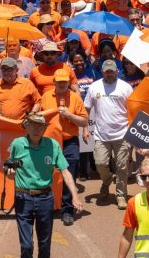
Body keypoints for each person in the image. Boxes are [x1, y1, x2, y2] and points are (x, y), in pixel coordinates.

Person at [5, 112, 83, 258]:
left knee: (45, 244)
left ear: (44, 129)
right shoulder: (17, 144)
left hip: (45, 198)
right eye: (33, 126)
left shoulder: (52, 145)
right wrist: (10, 174)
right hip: (23, 197)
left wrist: (75, 196)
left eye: (40, 126)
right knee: (26, 246)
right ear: (26, 127)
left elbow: (65, 172)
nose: (36, 130)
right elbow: (10, 168)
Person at [39, 70, 88, 225]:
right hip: (49, 141)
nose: (62, 84)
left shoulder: (75, 98)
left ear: (68, 82)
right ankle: (49, 206)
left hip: (69, 141)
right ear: (54, 81)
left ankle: (67, 209)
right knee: (48, 173)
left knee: (70, 173)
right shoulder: (46, 97)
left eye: (64, 81)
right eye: (59, 81)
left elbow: (84, 122)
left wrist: (69, 116)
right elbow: (39, 117)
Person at [83, 59, 133, 209]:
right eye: (107, 71)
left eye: (112, 71)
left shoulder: (126, 87)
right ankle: (106, 180)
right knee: (100, 163)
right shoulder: (94, 87)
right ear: (102, 72)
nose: (109, 74)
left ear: (117, 71)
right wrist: (85, 129)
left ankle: (121, 195)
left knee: (122, 167)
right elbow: (86, 109)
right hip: (101, 135)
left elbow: (132, 110)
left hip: (122, 133)